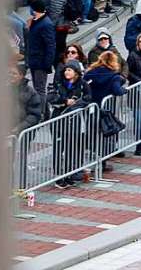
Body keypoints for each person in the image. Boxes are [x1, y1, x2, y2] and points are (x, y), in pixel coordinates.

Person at [46, 59, 92, 187]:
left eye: (70, 70)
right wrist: (65, 101)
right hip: (59, 121)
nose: (67, 72)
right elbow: (50, 98)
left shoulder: (83, 84)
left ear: (76, 72)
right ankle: (59, 176)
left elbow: (88, 98)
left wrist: (77, 104)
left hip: (74, 122)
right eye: (66, 70)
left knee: (70, 148)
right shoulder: (58, 83)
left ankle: (68, 173)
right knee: (58, 148)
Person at [83, 51, 128, 172]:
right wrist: (124, 90)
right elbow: (117, 91)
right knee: (105, 134)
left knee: (91, 133)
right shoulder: (114, 76)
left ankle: (92, 157)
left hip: (91, 107)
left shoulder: (90, 73)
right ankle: (101, 162)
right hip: (105, 109)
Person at [24, 0, 55, 94]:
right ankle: (43, 109)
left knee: (40, 90)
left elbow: (50, 45)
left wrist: (47, 64)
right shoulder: (34, 21)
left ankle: (41, 109)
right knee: (37, 88)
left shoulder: (46, 24)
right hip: (34, 60)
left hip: (40, 63)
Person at [9, 60, 43, 134]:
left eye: (14, 74)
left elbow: (35, 115)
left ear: (21, 76)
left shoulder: (31, 93)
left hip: (22, 133)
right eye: (9, 73)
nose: (10, 75)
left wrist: (19, 128)